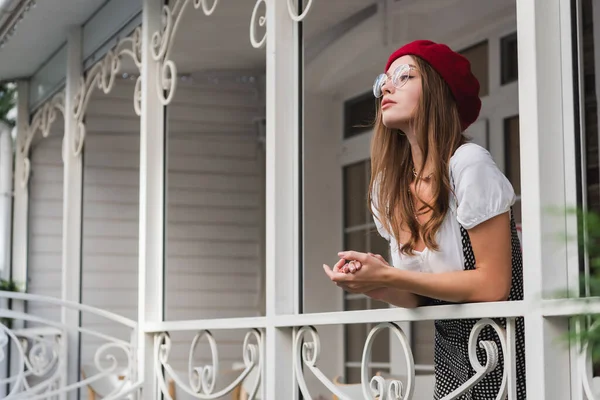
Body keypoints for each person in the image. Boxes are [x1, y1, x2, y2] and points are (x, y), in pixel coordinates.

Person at [322, 40, 526, 399]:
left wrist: (387, 274)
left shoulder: (467, 163)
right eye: (384, 80)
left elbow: (494, 285)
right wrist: (371, 282)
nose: (387, 86)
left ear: (436, 89)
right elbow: (420, 298)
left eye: (404, 76)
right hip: (452, 362)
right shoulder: (389, 188)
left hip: (507, 355)